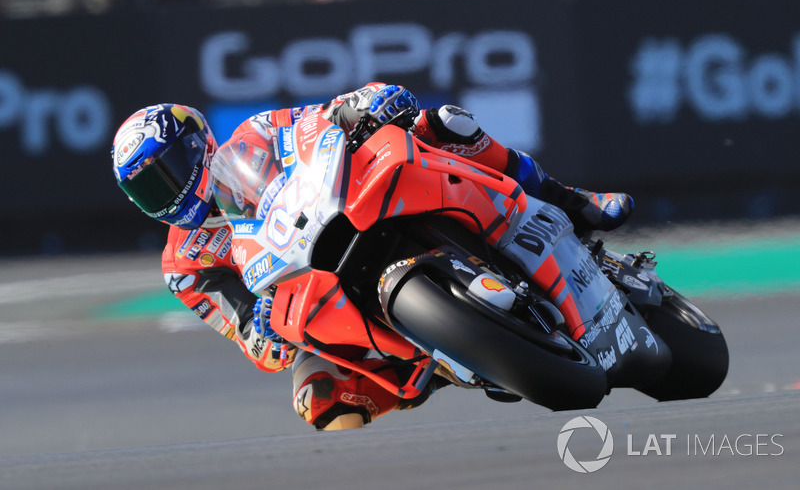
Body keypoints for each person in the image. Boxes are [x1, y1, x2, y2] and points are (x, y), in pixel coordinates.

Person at [111, 82, 632, 430]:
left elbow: (319, 120)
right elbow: (247, 335)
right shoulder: (186, 266)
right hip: (314, 299)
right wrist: (264, 330)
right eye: (151, 190)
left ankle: (567, 199)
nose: (172, 192)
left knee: (442, 122)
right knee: (316, 401)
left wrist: (364, 103)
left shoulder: (254, 136)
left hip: (347, 210)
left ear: (198, 141)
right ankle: (441, 360)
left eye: (171, 168)